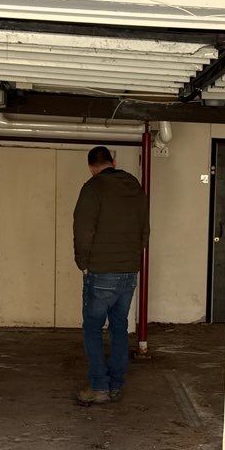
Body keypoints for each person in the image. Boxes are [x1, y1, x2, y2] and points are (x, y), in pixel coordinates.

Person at [73, 146, 148, 405]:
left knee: (93, 328)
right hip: (129, 272)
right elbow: (145, 230)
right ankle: (116, 385)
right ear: (112, 162)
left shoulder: (93, 188)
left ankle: (99, 387)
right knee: (119, 327)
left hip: (102, 271)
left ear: (91, 167)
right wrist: (132, 259)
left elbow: (83, 229)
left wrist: (83, 262)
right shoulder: (134, 187)